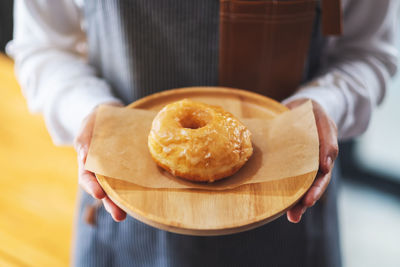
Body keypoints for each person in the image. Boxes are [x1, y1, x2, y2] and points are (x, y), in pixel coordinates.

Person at [7, 0, 398, 266]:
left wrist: (324, 104)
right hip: (123, 213)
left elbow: (370, 51)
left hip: (289, 215)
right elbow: (43, 47)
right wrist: (91, 113)